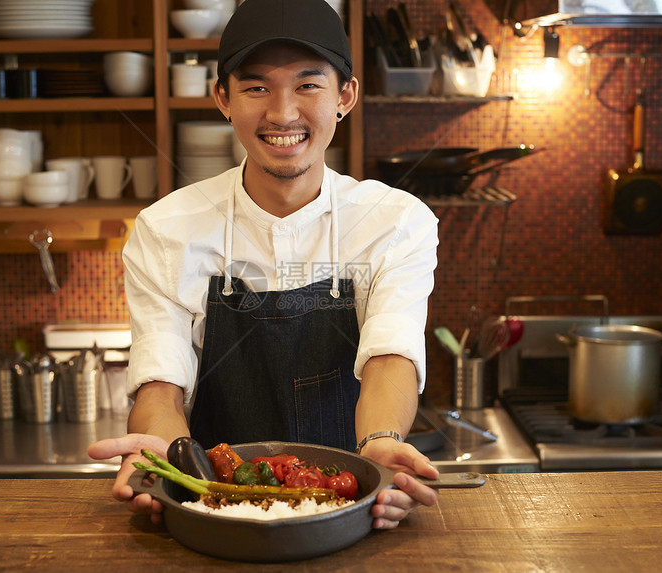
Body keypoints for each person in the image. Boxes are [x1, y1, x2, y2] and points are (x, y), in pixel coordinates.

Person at [88, 0, 440, 530]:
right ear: (223, 98)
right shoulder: (167, 229)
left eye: (308, 85)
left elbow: (391, 353)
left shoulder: (395, 221)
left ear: (346, 95)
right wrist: (164, 458)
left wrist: (381, 447)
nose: (282, 113)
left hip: (348, 503)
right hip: (215, 503)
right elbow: (161, 379)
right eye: (256, 87)